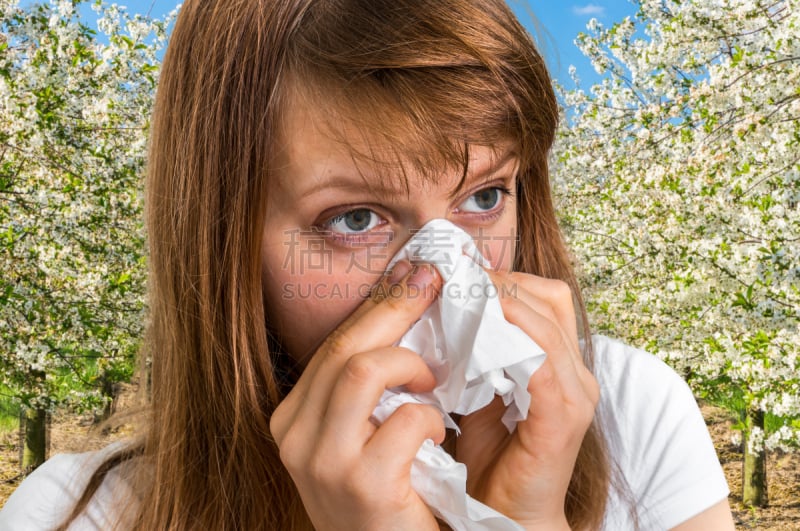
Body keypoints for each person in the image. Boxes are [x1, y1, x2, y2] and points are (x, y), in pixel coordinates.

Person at [0, 0, 735, 529]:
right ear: (227, 246)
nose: (447, 280)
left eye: (484, 196)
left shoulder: (634, 416)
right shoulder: (74, 515)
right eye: (356, 219)